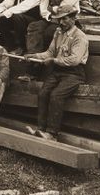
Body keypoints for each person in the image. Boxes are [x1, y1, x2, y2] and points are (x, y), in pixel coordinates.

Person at [25, 11, 90, 141]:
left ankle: (52, 134)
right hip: (58, 71)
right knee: (43, 93)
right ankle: (41, 129)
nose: (61, 22)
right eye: (59, 19)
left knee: (56, 95)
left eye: (64, 19)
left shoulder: (80, 37)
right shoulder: (58, 32)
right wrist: (35, 56)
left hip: (74, 74)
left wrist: (54, 61)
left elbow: (75, 60)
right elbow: (50, 52)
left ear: (73, 18)